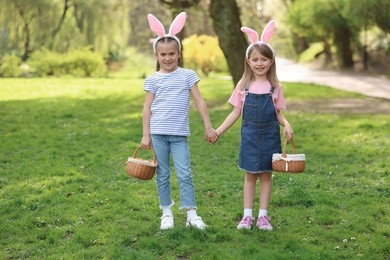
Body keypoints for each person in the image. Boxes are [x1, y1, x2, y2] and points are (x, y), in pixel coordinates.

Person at [140, 12, 218, 230]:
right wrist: (146, 134)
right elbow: (146, 108)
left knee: (185, 173)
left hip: (179, 135)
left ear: (178, 54)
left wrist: (208, 126)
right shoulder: (153, 79)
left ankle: (191, 213)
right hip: (157, 134)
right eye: (163, 54)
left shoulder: (187, 76)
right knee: (163, 174)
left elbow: (200, 102)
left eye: (172, 54)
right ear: (156, 55)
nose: (167, 58)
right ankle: (166, 212)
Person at [213, 20, 294, 230]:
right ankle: (247, 216)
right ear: (248, 61)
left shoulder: (274, 86)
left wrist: (287, 124)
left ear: (271, 61)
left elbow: (278, 113)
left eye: (264, 59)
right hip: (249, 136)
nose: (259, 63)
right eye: (255, 59)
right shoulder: (244, 86)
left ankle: (263, 217)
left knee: (266, 175)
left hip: (270, 136)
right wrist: (219, 131)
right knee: (250, 176)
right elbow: (235, 112)